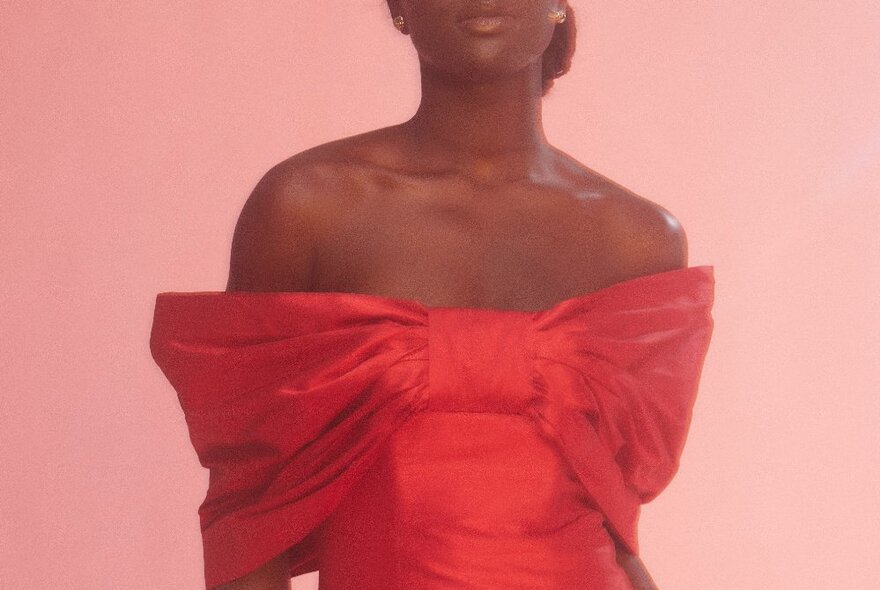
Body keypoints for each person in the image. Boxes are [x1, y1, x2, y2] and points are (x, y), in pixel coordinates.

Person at [150, 2, 715, 589]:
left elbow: (616, 521)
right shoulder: (305, 208)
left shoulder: (639, 239)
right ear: (399, 7)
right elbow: (249, 520)